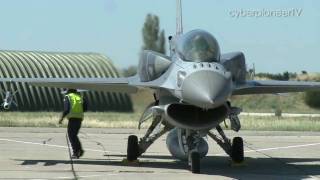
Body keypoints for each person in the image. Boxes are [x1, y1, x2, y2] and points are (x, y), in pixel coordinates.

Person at [59, 89, 87, 159]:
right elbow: (85, 108)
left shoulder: (68, 97)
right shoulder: (80, 96)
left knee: (71, 136)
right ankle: (79, 150)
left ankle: (76, 152)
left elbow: (66, 109)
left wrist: (61, 118)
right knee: (74, 135)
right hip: (79, 118)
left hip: (72, 119)